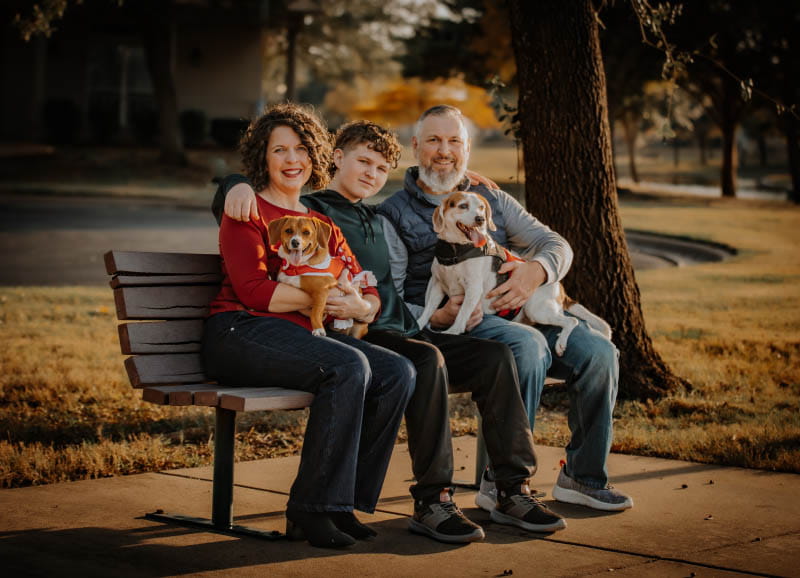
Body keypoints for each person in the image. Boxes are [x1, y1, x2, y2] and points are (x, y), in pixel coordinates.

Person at [216, 119, 567, 543]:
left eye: (381, 168)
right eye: (362, 162)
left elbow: (370, 286)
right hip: (350, 333)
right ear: (335, 159)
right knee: (420, 361)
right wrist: (233, 183)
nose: (371, 173)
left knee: (494, 357)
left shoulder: (373, 214)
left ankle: (514, 489)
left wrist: (389, 308)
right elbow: (251, 213)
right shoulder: (315, 210)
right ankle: (433, 498)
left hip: (398, 325)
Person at [377, 104, 633, 512]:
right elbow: (389, 292)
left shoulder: (490, 197)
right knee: (526, 347)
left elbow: (557, 245)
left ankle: (582, 478)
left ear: (467, 149)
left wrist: (535, 272)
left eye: (455, 141)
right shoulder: (392, 213)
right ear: (415, 146)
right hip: (464, 323)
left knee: (600, 353)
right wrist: (437, 315)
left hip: (521, 308)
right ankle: (506, 484)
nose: (445, 151)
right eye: (434, 141)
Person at [201, 103, 416, 549]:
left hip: (295, 335)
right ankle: (309, 511)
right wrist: (325, 297)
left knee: (399, 372)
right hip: (239, 332)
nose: (291, 158)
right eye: (279, 149)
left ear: (316, 155)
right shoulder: (245, 210)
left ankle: (341, 505)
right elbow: (255, 291)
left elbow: (367, 292)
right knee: (347, 366)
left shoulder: (322, 224)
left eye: (300, 148)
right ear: (264, 157)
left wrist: (359, 305)